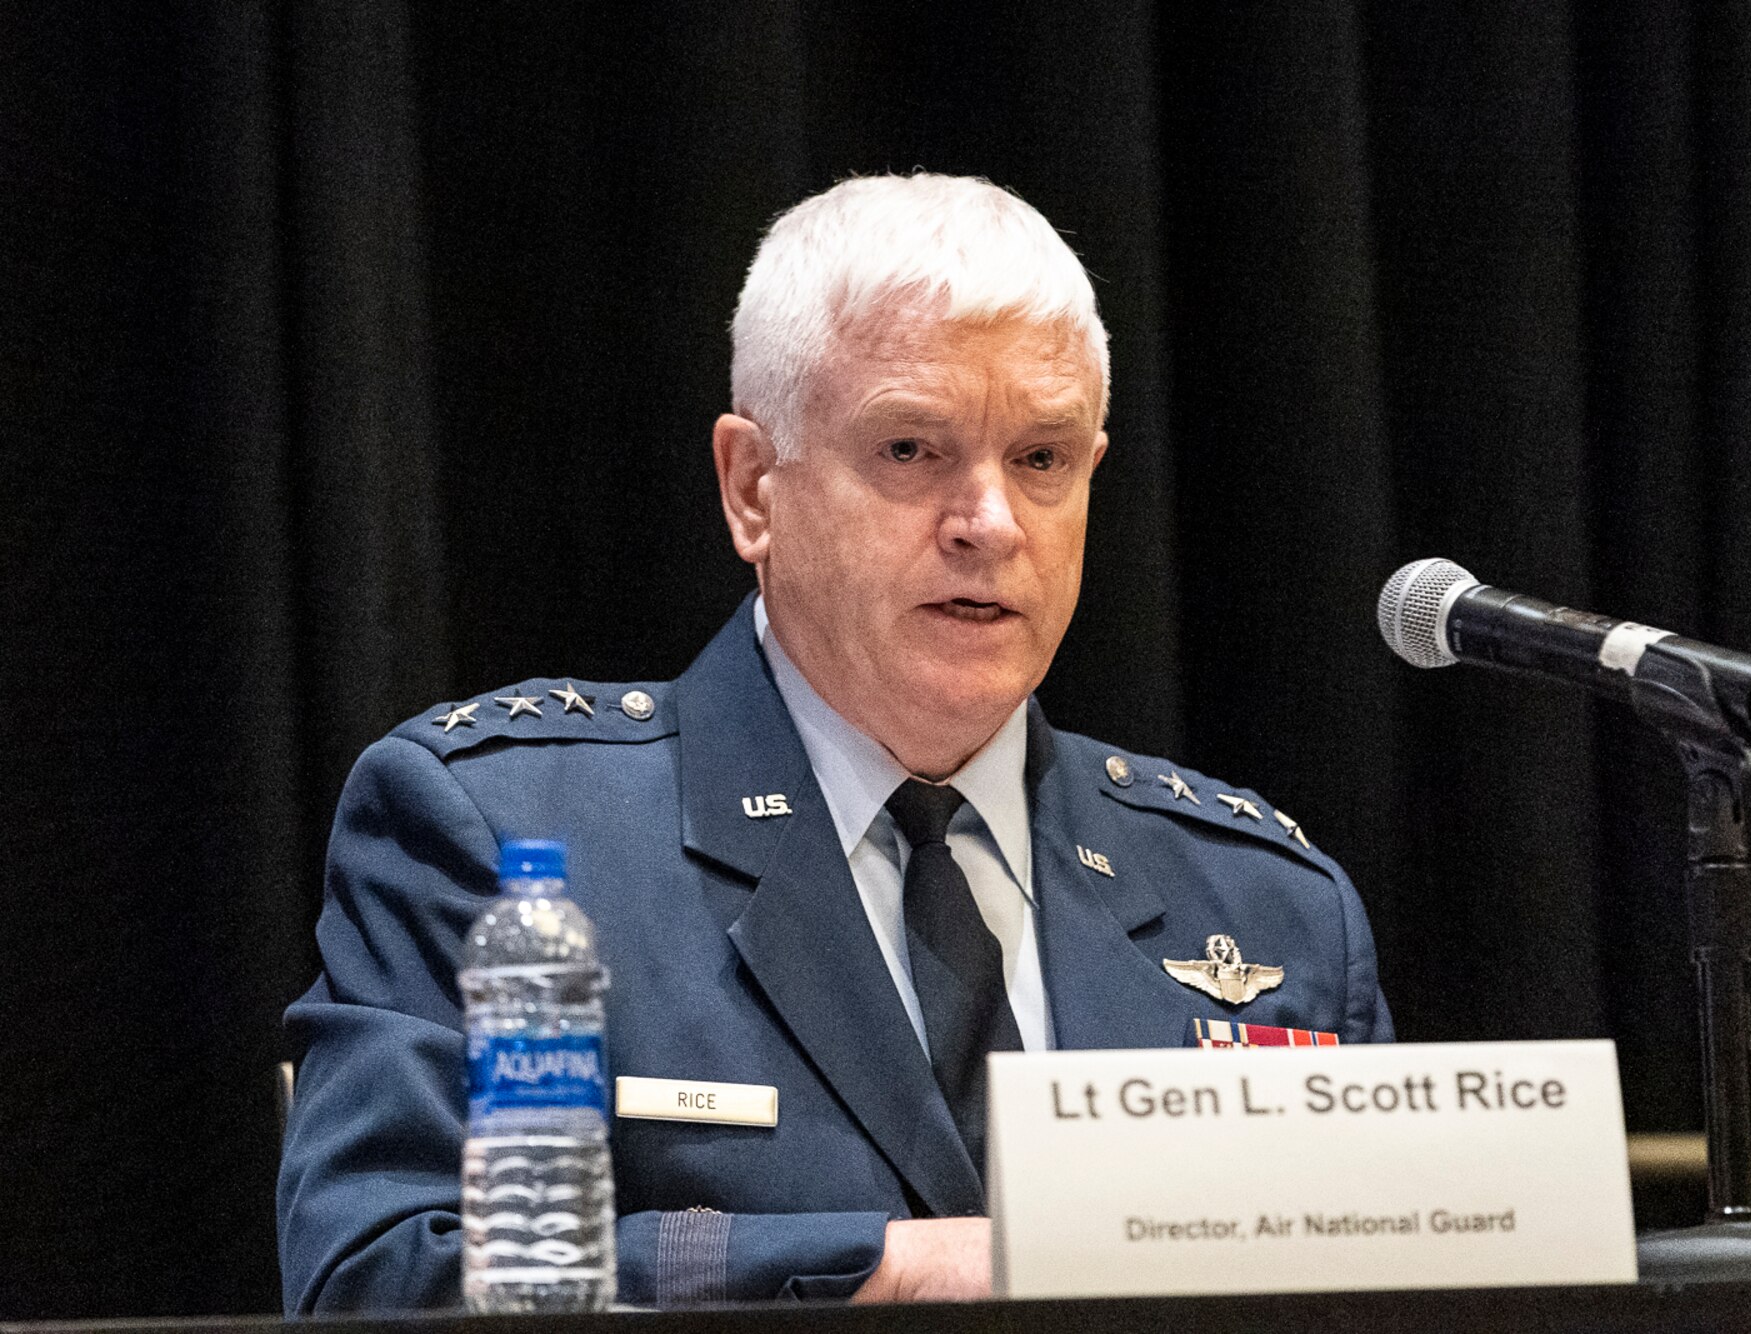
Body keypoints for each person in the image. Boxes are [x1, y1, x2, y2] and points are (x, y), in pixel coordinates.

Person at [277, 173, 1393, 1313]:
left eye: (1042, 459)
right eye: (911, 449)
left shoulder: (1266, 906)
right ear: (752, 487)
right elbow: (383, 1277)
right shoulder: (508, 833)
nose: (990, 522)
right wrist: (895, 1267)